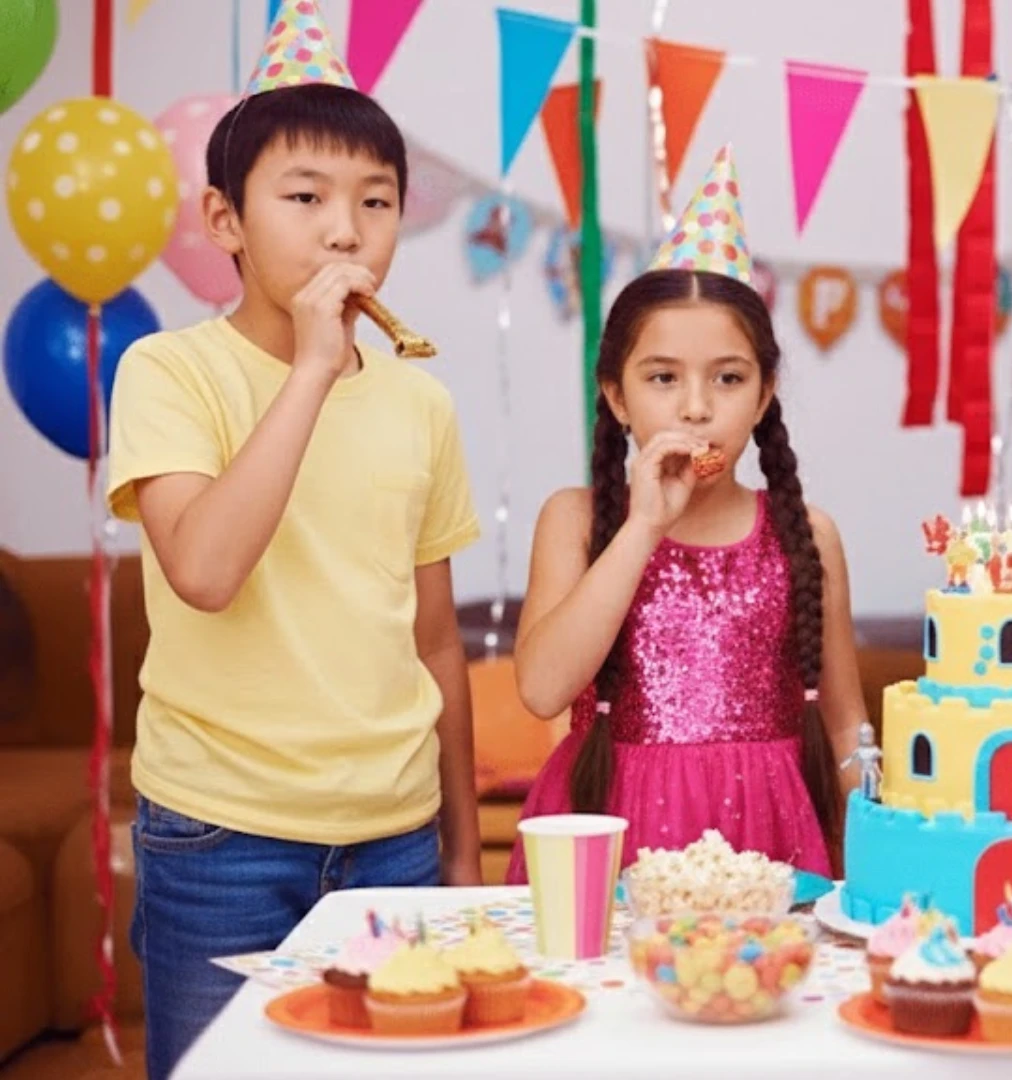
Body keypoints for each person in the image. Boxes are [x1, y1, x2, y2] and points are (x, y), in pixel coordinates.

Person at [104, 10, 479, 1076]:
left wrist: (458, 846)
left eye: (376, 202)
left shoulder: (420, 405)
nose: (344, 232)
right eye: (305, 198)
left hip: (397, 840)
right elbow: (208, 571)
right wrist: (313, 369)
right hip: (222, 837)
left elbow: (437, 641)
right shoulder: (171, 374)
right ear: (226, 219)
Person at [507, 148, 865, 880]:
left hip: (768, 837)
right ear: (615, 396)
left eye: (728, 379)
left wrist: (880, 868)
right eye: (663, 378)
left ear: (764, 396)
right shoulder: (576, 522)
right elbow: (543, 688)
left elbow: (846, 727)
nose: (697, 406)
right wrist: (643, 527)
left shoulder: (810, 536)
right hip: (612, 832)